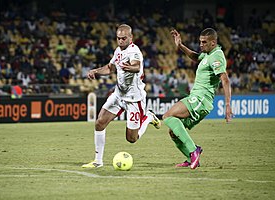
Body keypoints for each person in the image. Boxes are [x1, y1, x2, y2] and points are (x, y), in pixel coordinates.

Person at [82, 24, 161, 168]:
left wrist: (128, 67)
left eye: (124, 38)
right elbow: (110, 68)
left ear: (131, 38)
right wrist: (96, 71)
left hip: (134, 100)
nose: (121, 41)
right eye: (118, 38)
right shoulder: (118, 50)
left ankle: (149, 117)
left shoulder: (134, 52)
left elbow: (136, 66)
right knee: (100, 122)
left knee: (132, 138)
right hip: (118, 95)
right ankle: (98, 161)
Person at [163, 28, 232, 170]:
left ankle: (194, 150)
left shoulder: (216, 56)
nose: (201, 45)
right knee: (173, 131)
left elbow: (225, 80)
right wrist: (180, 46)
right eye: (200, 41)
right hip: (197, 98)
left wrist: (227, 105)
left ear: (213, 42)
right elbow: (195, 57)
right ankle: (191, 158)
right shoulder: (208, 54)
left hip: (201, 98)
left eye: (204, 42)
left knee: (168, 116)